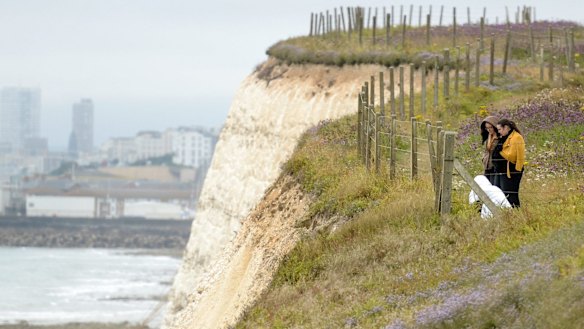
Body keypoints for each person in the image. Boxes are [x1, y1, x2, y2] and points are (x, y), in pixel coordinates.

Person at [494, 119, 526, 207]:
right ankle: (507, 212)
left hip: (512, 170)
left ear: (506, 128)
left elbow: (512, 155)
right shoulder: (505, 137)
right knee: (500, 191)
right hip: (503, 169)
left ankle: (515, 212)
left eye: (500, 129)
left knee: (510, 193)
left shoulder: (516, 137)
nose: (499, 132)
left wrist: (499, 152)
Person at [480, 116, 500, 185]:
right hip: (487, 166)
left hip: (495, 166)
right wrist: (484, 159)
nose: (489, 130)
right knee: (486, 186)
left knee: (494, 187)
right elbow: (486, 150)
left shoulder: (499, 137)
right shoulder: (487, 136)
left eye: (490, 127)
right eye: (487, 128)